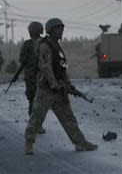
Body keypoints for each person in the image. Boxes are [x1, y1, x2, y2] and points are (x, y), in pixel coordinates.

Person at [24, 18, 97, 155]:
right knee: (37, 116)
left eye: (62, 28)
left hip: (58, 88)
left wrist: (68, 85)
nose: (62, 31)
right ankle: (29, 143)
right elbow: (46, 67)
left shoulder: (57, 46)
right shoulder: (45, 46)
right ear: (51, 30)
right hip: (46, 88)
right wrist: (53, 84)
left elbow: (61, 69)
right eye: (58, 28)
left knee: (68, 117)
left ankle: (80, 143)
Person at [19, 21, 45, 134]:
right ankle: (37, 125)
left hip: (31, 77)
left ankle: (34, 124)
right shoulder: (45, 43)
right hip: (42, 77)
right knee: (40, 101)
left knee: (32, 101)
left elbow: (22, 60)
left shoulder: (27, 44)